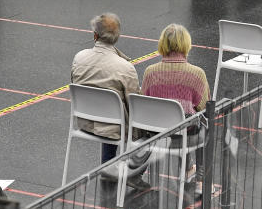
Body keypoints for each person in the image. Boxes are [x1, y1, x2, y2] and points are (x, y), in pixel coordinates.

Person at [70, 12, 150, 191]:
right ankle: (133, 173)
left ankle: (108, 167)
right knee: (151, 131)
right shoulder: (125, 68)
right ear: (117, 37)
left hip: (86, 122)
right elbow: (134, 106)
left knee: (111, 112)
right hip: (114, 126)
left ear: (95, 35)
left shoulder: (79, 58)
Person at [141, 23, 210, 197]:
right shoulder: (196, 74)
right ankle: (200, 181)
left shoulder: (150, 72)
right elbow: (204, 107)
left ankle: (188, 169)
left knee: (180, 119)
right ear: (186, 44)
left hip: (157, 135)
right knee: (201, 123)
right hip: (185, 134)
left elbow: (144, 102)